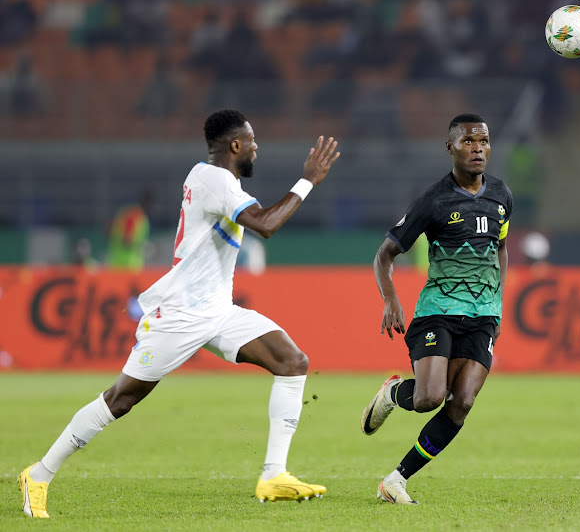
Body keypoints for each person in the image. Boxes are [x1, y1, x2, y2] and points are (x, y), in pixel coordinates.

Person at [18, 109, 340, 518]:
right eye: (253, 141)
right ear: (235, 145)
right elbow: (267, 224)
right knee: (121, 399)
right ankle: (40, 474)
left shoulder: (212, 178)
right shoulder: (215, 179)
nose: (258, 147)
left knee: (292, 362)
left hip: (218, 311)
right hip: (181, 315)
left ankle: (274, 474)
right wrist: (309, 179)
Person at [361, 113, 512, 504]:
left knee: (461, 401)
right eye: (468, 141)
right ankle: (395, 394)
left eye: (484, 141)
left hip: (483, 316)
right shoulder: (433, 201)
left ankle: (395, 480)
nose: (478, 148)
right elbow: (385, 254)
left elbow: (500, 246)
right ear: (451, 148)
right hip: (438, 311)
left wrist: (498, 298)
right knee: (430, 397)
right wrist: (391, 298)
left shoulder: (501, 197)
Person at [107, 189, 153, 270]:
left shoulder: (134, 214)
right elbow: (127, 240)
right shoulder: (134, 216)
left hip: (126, 264)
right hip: (125, 266)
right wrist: (144, 247)